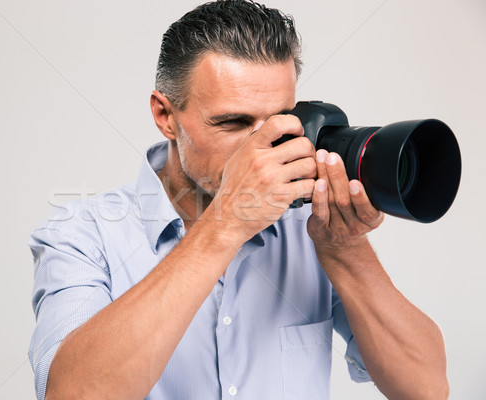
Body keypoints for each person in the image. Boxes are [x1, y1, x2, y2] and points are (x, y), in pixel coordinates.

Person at [28, 1, 448, 399]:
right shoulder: (83, 234)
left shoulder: (309, 231)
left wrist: (347, 251)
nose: (264, 146)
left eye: (282, 118)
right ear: (166, 116)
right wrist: (226, 221)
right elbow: (73, 393)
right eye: (233, 122)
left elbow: (427, 388)